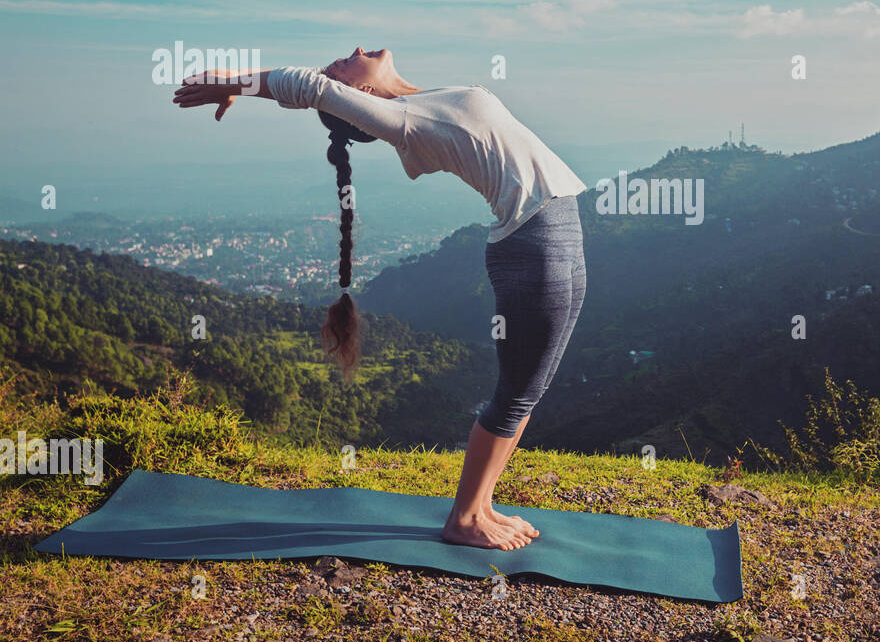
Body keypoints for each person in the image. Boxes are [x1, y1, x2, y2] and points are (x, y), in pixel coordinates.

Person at [173, 48, 587, 551]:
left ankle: (481, 505)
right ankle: (464, 518)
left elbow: (321, 87)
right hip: (533, 243)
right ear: (360, 96)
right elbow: (311, 87)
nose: (348, 54)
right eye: (341, 66)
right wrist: (238, 82)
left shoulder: (423, 101)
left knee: (530, 388)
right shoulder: (405, 120)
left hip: (556, 233)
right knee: (517, 391)